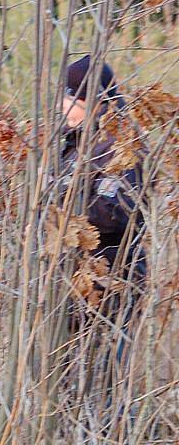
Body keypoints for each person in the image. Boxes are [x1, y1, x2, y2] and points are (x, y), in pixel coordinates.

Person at [57, 55, 147, 408]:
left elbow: (116, 211)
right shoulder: (71, 147)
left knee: (102, 386)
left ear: (93, 102)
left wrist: (63, 211)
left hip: (111, 285)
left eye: (68, 99)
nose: (60, 107)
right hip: (70, 287)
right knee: (68, 389)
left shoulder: (121, 145)